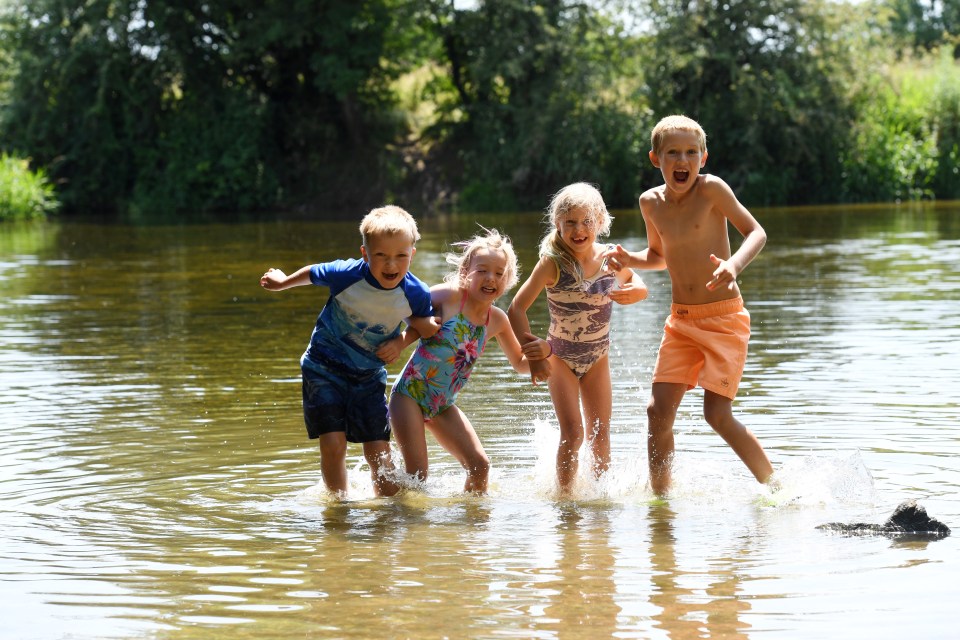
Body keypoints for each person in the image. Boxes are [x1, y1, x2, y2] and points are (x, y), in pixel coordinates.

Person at [605, 114, 774, 495]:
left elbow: (756, 232)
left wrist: (734, 264)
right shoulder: (650, 202)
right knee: (657, 412)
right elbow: (659, 256)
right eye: (673, 153)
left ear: (704, 157)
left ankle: (776, 487)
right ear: (655, 158)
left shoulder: (712, 190)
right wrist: (629, 259)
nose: (682, 161)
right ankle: (661, 499)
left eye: (691, 152)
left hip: (724, 318)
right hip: (681, 322)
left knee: (716, 414)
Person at [259, 205, 440, 498]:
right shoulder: (347, 274)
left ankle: (391, 510)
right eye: (381, 255)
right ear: (365, 254)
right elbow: (314, 273)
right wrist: (283, 283)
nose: (391, 264)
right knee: (333, 444)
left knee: (378, 452)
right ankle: (338, 506)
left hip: (368, 376)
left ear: (412, 255)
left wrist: (401, 342)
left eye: (400, 256)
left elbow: (423, 324)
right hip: (322, 367)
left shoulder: (415, 292)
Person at [508, 183, 648, 495]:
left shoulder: (612, 259)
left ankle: (599, 501)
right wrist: (533, 355)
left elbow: (640, 284)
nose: (578, 230)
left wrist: (637, 291)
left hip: (598, 358)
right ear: (557, 225)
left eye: (586, 221)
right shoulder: (553, 263)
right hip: (560, 359)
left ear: (600, 222)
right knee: (573, 433)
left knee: (600, 434)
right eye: (570, 223)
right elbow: (516, 308)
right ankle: (565, 499)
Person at [389, 228, 538, 494]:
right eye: (482, 270)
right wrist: (418, 323)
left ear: (508, 279)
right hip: (410, 394)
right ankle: (396, 518)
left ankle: (471, 529)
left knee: (480, 466)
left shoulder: (498, 320)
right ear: (465, 272)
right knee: (417, 475)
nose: (490, 278)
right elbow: (402, 305)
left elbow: (519, 363)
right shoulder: (450, 297)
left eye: (499, 273)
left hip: (442, 403)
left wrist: (544, 356)